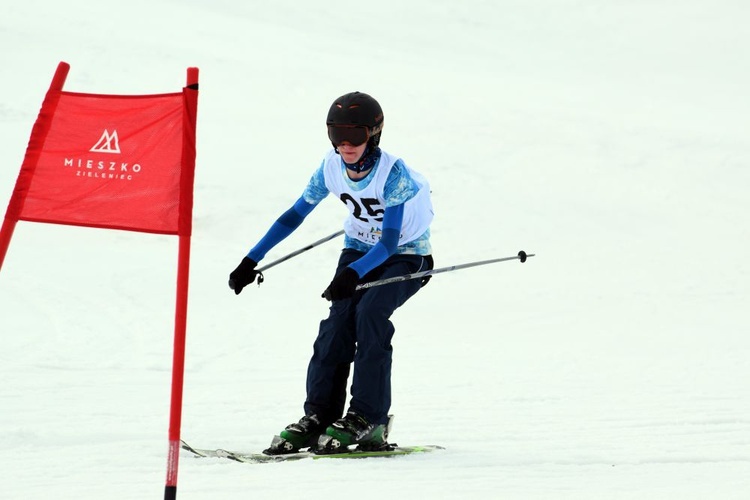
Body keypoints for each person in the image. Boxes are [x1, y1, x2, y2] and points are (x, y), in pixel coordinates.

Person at [229, 91, 434, 454]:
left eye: (354, 135)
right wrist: (251, 260)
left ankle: (369, 418)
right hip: (357, 249)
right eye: (336, 135)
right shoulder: (330, 167)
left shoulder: (394, 175)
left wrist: (353, 274)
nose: (345, 144)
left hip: (406, 255)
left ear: (374, 134)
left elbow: (388, 244)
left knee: (370, 313)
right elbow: (294, 215)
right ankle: (320, 416)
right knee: (338, 323)